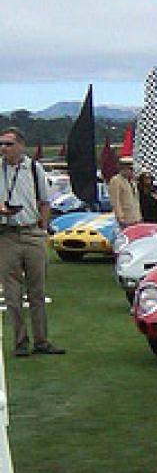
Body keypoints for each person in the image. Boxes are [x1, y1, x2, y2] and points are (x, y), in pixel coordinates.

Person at [0, 127, 63, 356]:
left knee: (37, 291)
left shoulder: (34, 169)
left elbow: (45, 202)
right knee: (12, 294)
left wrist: (42, 229)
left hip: (32, 232)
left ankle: (41, 340)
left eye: (8, 144)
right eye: (1, 144)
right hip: (6, 235)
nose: (3, 149)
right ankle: (20, 343)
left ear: (20, 145)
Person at [109, 156, 141, 228]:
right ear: (123, 168)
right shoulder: (116, 180)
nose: (132, 171)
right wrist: (120, 217)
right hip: (126, 219)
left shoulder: (132, 181)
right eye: (130, 169)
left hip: (136, 217)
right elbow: (115, 201)